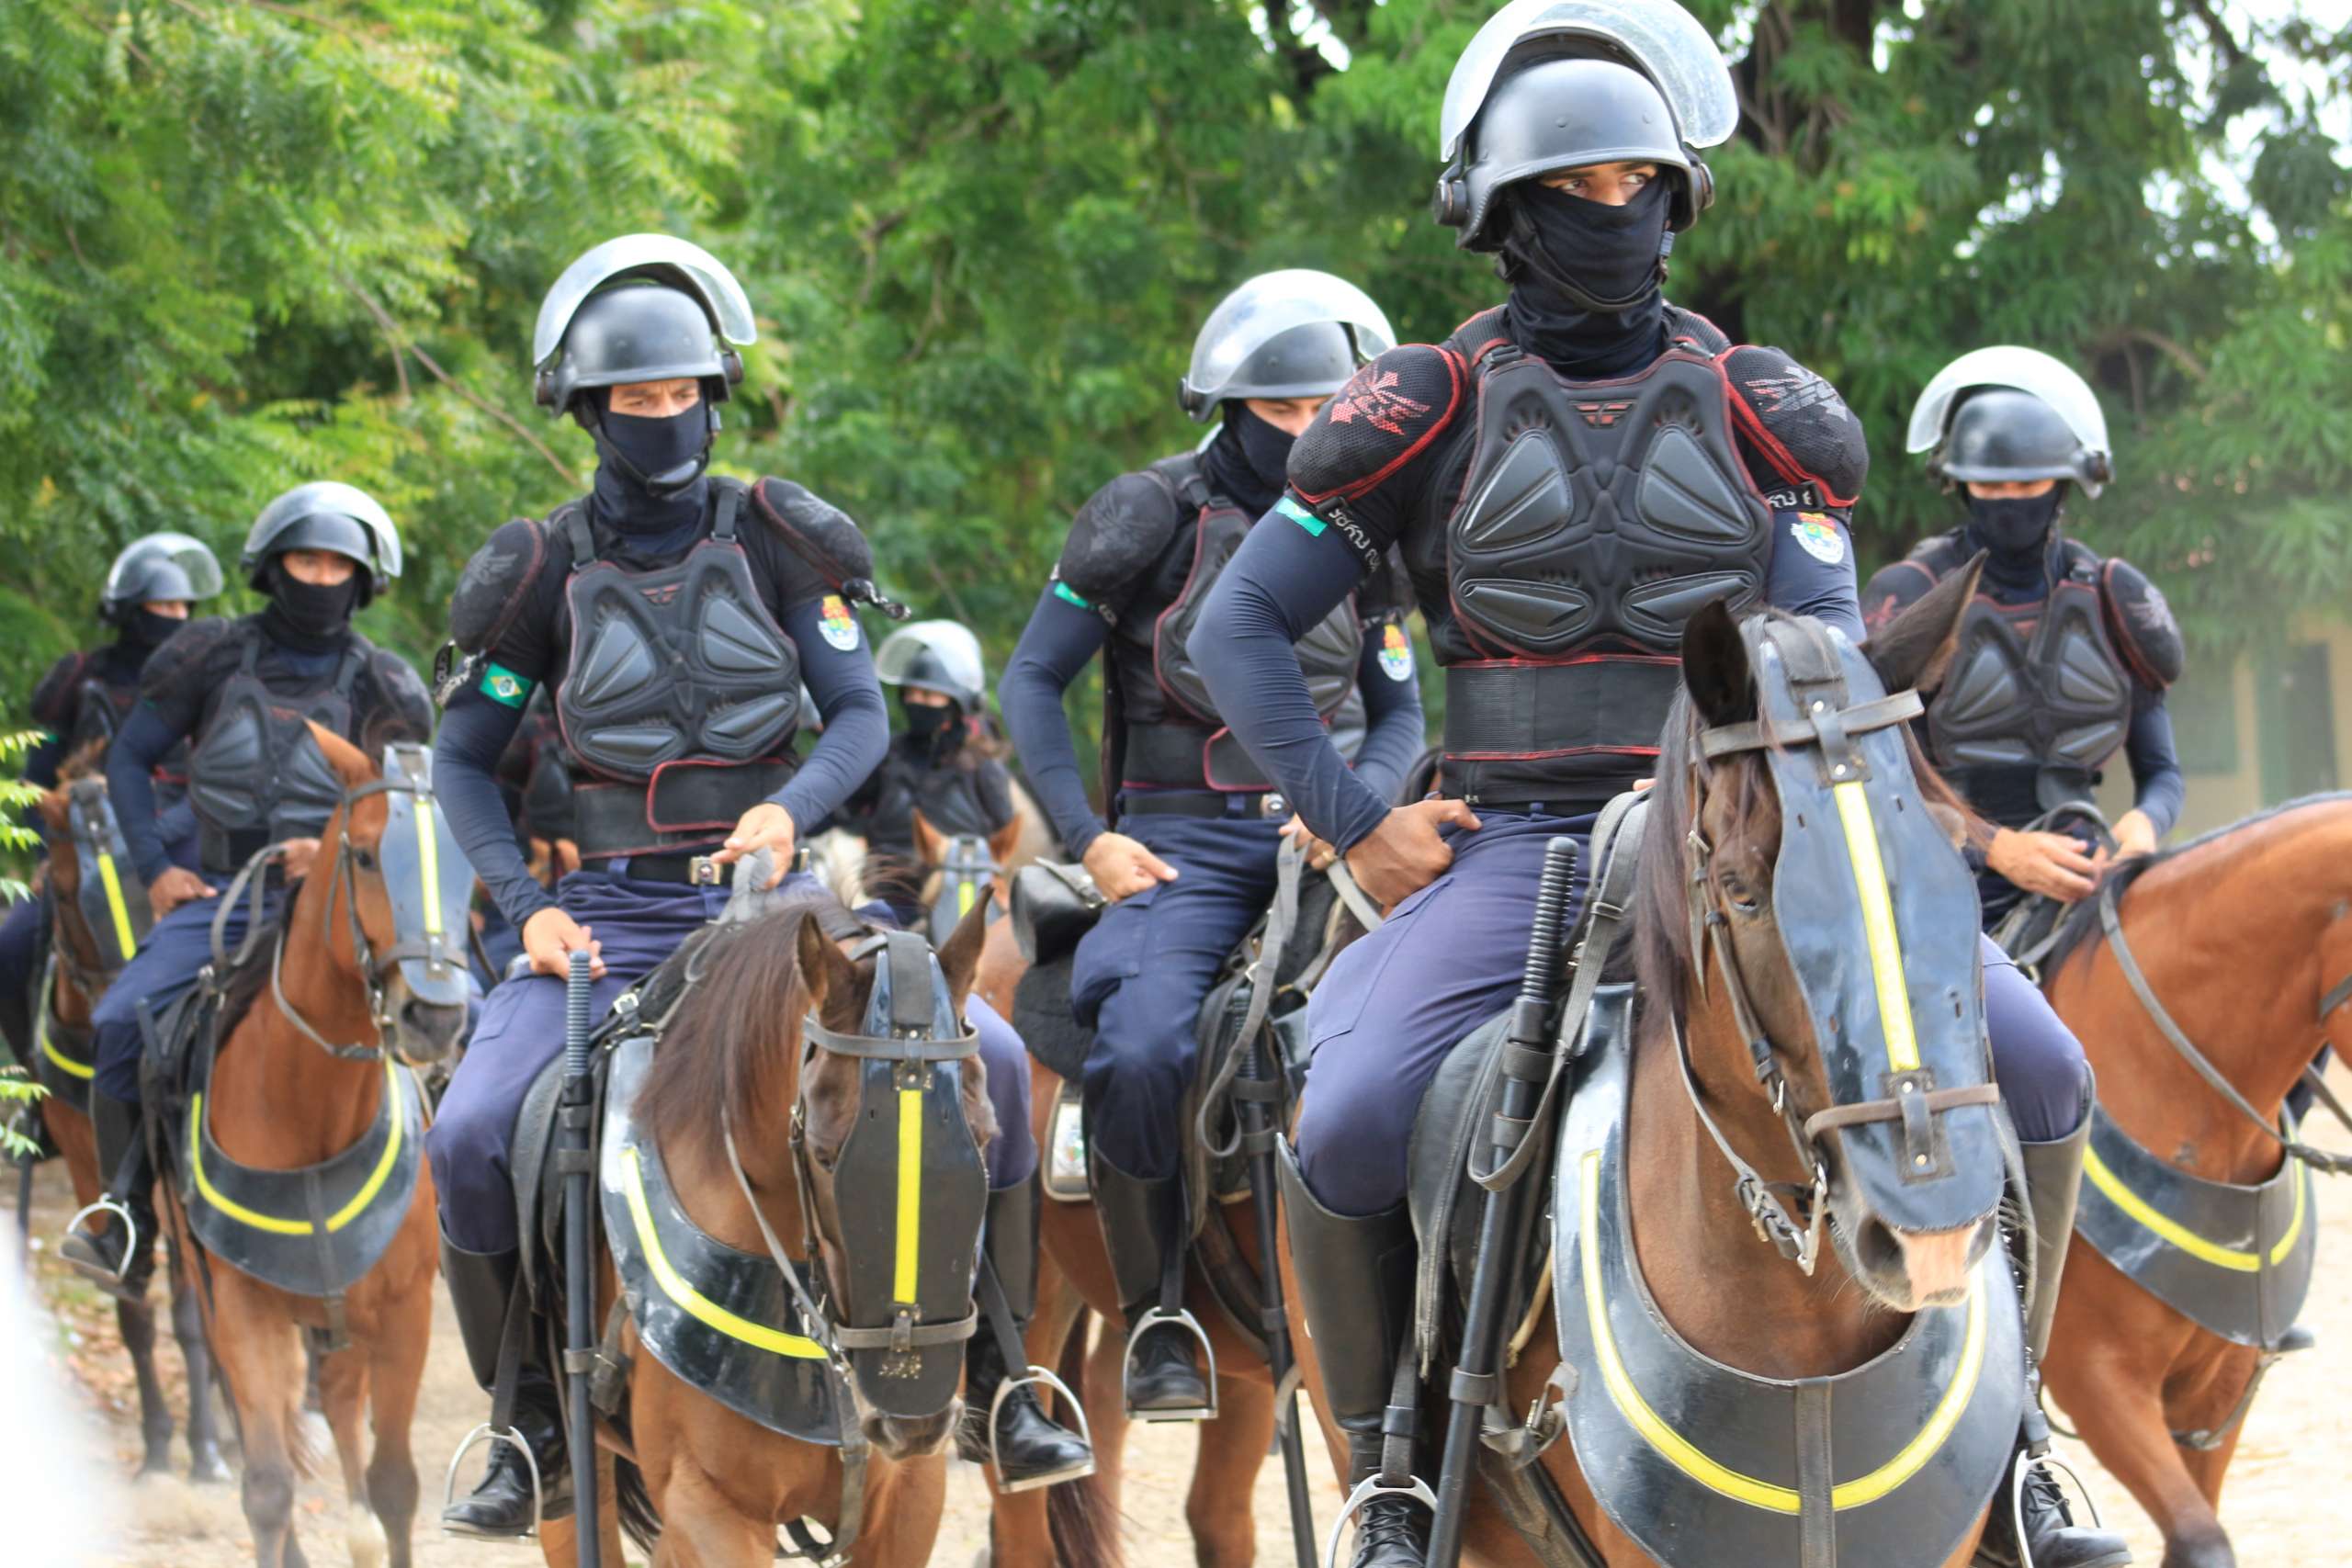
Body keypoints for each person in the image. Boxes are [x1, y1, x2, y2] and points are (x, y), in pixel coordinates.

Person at [1187, 6, 2129, 1566]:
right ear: (1501, 207)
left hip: (1752, 834)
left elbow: (1822, 644)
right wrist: (1360, 820)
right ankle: (1392, 1479)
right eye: (1579, 183)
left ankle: (2020, 1440)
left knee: (2038, 1070)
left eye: (1640, 177)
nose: (1613, 208)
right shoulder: (1418, 407)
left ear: (1680, 199)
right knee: (1346, 1113)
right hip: (1520, 842)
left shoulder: (1770, 408)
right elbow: (1237, 627)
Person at [423, 234, 1058, 1535]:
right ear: (589, 408)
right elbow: (462, 761)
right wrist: (521, 901)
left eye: (682, 395)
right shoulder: (539, 572)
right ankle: (533, 1416)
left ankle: (996, 1369)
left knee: (984, 1052)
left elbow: (859, 719)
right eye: (635, 399)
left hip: (786, 906)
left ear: (714, 394)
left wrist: (790, 806)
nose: (664, 419)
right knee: (474, 1130)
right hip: (605, 914)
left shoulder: (779, 538)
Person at [999, 269, 1424, 1421]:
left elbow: (1401, 717)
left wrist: (1351, 808)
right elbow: (1034, 680)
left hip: (1337, 839)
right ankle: (1159, 1315)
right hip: (1175, 847)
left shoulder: (1375, 527)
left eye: (1324, 414)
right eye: (1281, 413)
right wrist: (1088, 842)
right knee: (1139, 1048)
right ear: (1229, 407)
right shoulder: (1146, 514)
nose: (1305, 435)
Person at [59, 487, 429, 1298]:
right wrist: (156, 866)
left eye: (339, 564)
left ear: (363, 580)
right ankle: (128, 1217)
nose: (322, 576)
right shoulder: (209, 655)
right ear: (274, 567)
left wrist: (328, 847)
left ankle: (431, 1216)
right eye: (308, 559)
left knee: (440, 1011)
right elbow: (128, 759)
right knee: (121, 1019)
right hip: (220, 890)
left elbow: (409, 808)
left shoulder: (387, 684)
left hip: (339, 902)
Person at [1864, 347, 2184, 930]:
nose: (2011, 499)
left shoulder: (2114, 598)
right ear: (1958, 485)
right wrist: (1997, 848)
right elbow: (1874, 773)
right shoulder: (1910, 597)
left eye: (2028, 482)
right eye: (1991, 485)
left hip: (2089, 877)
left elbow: (2162, 772)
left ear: (2064, 485)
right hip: (1945, 884)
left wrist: (2141, 829)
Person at [0, 534, 222, 1061]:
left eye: (182, 606)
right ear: (130, 609)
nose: (175, 615)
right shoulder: (80, 678)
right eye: (161, 605)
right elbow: (35, 777)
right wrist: (42, 860)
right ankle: (36, 1086)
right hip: (82, 856)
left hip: (181, 846)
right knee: (10, 948)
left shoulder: (208, 681)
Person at [837, 620, 1018, 928]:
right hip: (891, 897)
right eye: (912, 694)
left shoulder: (981, 764)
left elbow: (1005, 831)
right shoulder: (884, 756)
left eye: (930, 695)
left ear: (955, 703)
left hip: (963, 897)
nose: (918, 702)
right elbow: (842, 809)